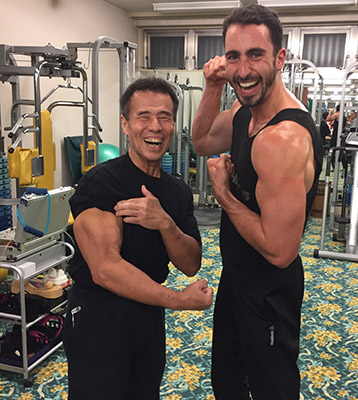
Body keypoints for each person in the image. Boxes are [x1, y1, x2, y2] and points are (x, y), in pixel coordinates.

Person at [192, 5, 323, 399]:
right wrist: (213, 86)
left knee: (271, 389)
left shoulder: (282, 139)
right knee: (228, 382)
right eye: (233, 56)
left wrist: (224, 195)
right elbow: (201, 142)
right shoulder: (243, 112)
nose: (243, 70)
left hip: (268, 291)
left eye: (255, 54)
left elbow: (281, 252)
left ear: (279, 59)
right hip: (236, 276)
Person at [63, 77, 213, 400]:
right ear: (126, 124)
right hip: (100, 320)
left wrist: (165, 223)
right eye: (143, 116)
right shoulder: (101, 182)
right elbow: (105, 269)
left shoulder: (178, 192)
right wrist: (179, 300)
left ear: (174, 125)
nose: (155, 126)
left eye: (164, 117)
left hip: (148, 319)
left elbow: (191, 263)